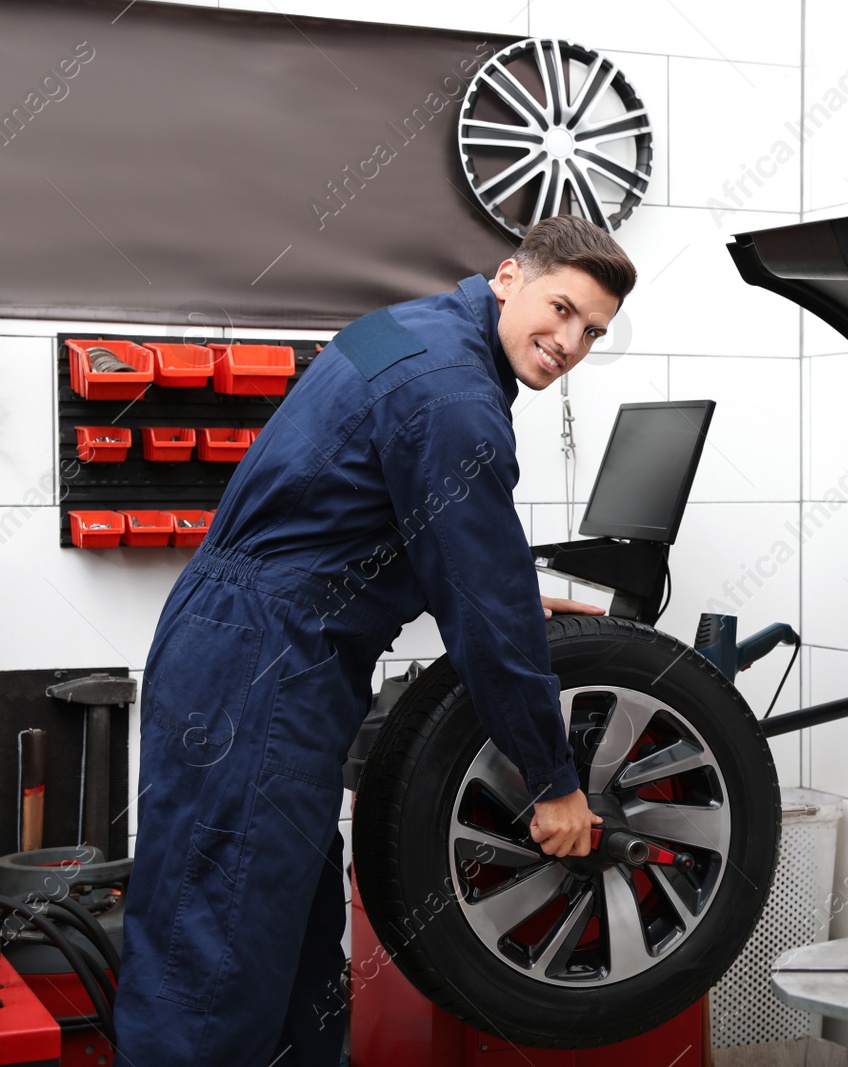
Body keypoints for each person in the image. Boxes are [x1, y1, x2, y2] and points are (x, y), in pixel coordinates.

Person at [113, 215, 635, 1064]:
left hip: (240, 637)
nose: (570, 342)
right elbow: (474, 590)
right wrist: (553, 779)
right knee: (215, 953)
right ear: (510, 277)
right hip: (270, 659)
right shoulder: (458, 397)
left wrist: (497, 590)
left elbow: (364, 504)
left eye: (593, 332)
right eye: (563, 309)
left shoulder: (410, 326)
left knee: (282, 933)